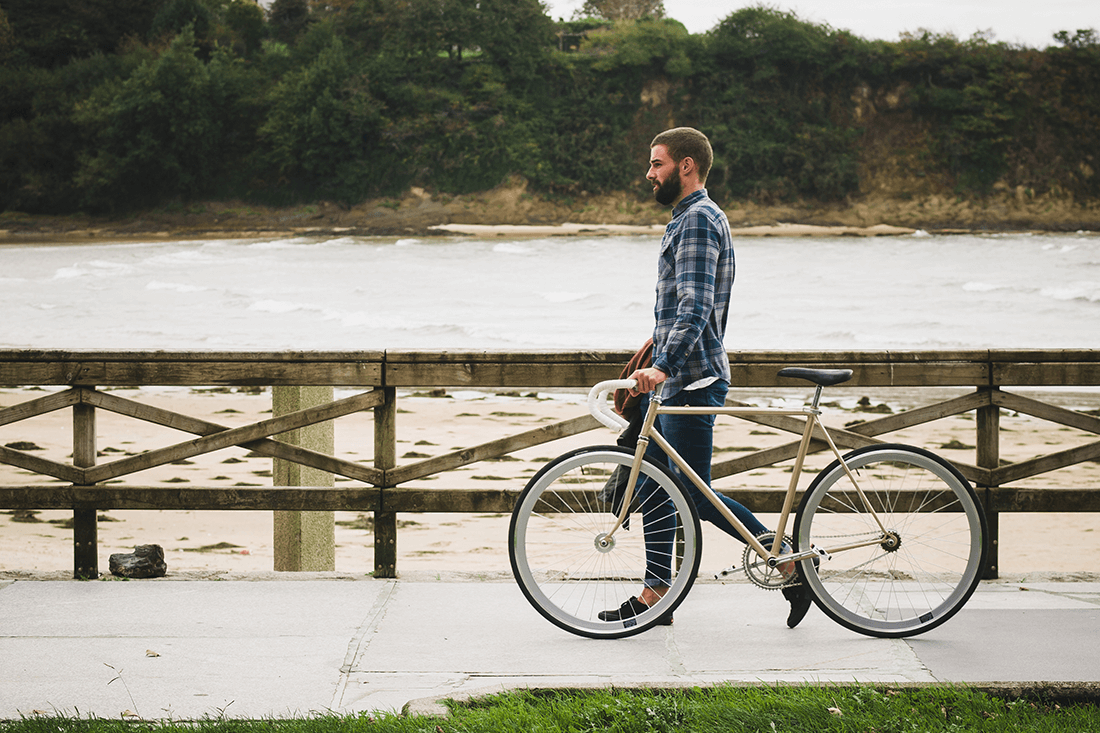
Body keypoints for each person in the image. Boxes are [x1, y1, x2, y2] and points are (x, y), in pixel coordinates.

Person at [598, 127, 812, 629]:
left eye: (657, 164)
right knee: (652, 486)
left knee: (694, 494)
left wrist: (662, 366)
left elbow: (694, 309)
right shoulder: (688, 220)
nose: (648, 174)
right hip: (676, 381)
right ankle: (658, 595)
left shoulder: (697, 221)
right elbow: (682, 310)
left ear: (686, 166)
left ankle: (786, 564)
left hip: (690, 380)